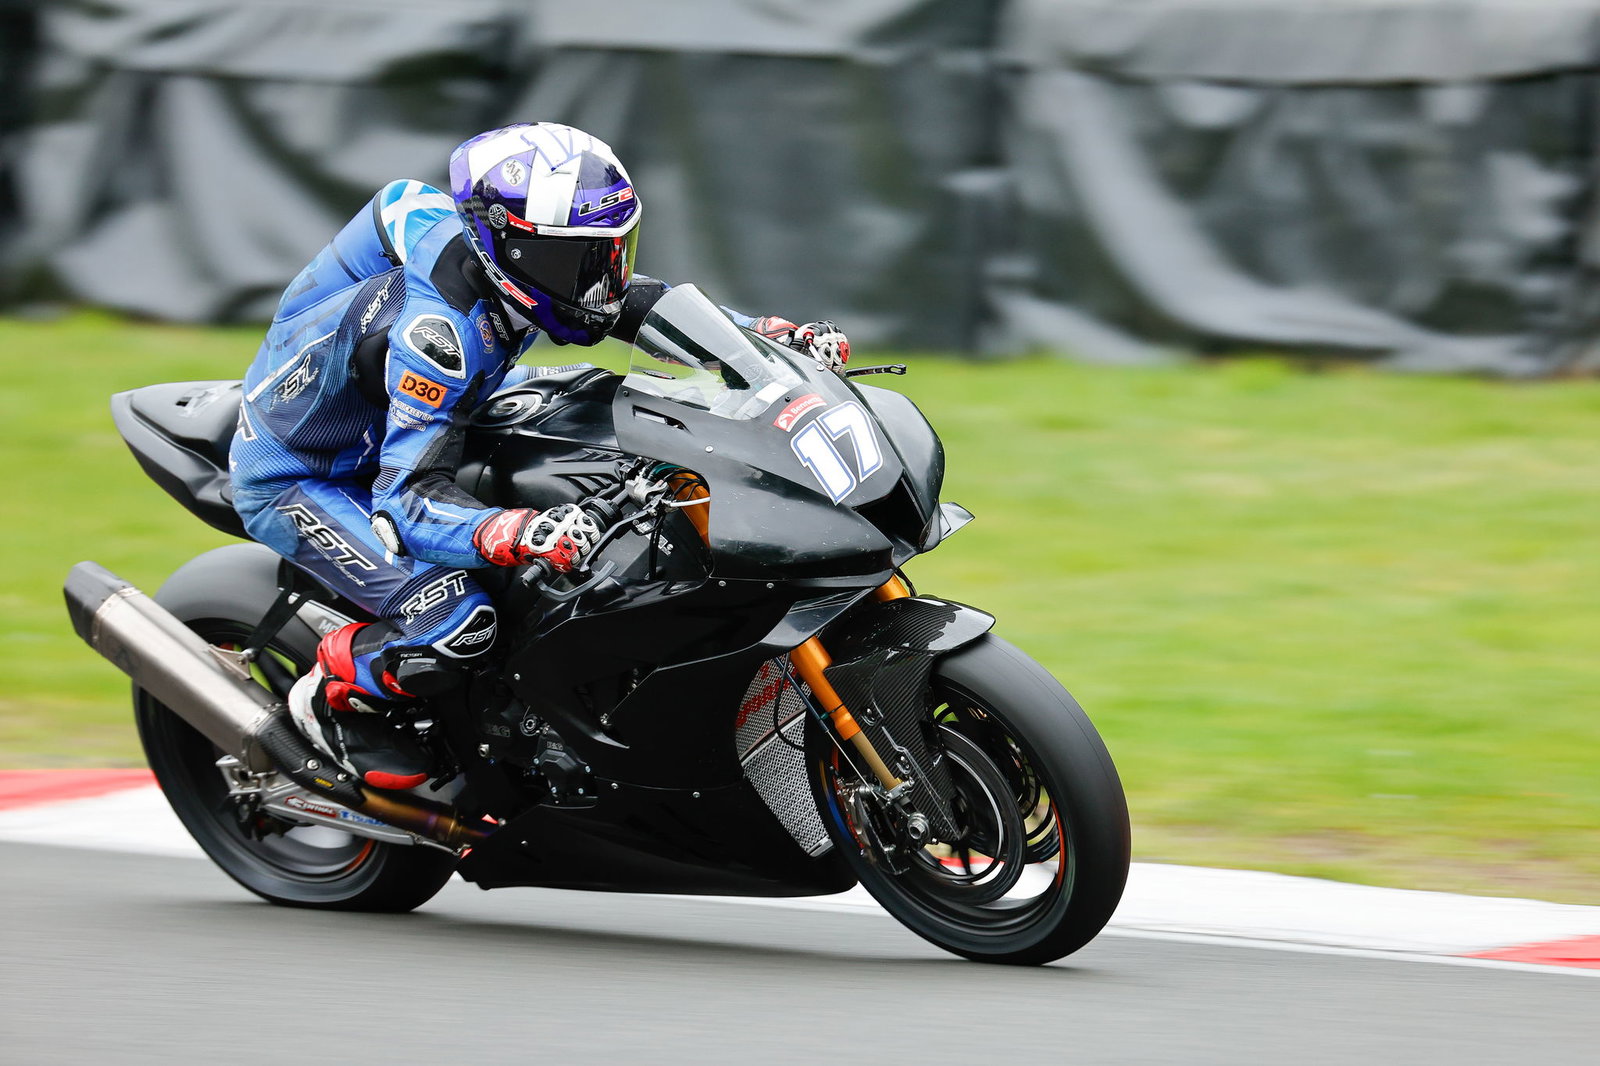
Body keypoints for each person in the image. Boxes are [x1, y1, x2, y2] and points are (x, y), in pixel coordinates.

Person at [230, 122, 850, 790]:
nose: (600, 281)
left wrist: (763, 341)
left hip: (410, 409)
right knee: (461, 622)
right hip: (309, 475)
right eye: (575, 262)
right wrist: (513, 530)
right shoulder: (442, 340)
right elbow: (405, 503)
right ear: (506, 251)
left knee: (612, 431)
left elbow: (633, 302)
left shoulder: (492, 248)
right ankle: (334, 692)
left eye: (609, 251)